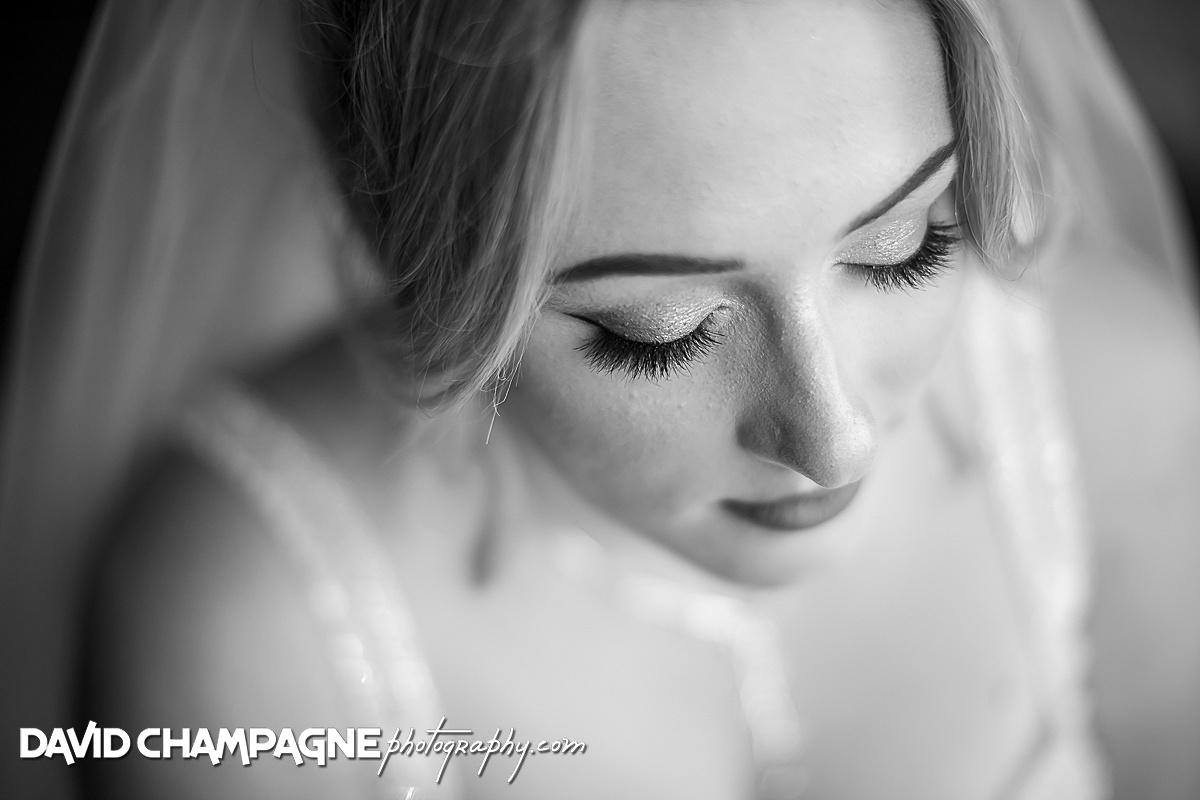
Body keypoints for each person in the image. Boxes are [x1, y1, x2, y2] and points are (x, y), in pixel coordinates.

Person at [2, 0, 1199, 798]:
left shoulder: (1117, 400)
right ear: (405, 250)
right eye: (654, 332)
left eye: (904, 246)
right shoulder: (250, 630)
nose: (833, 440)